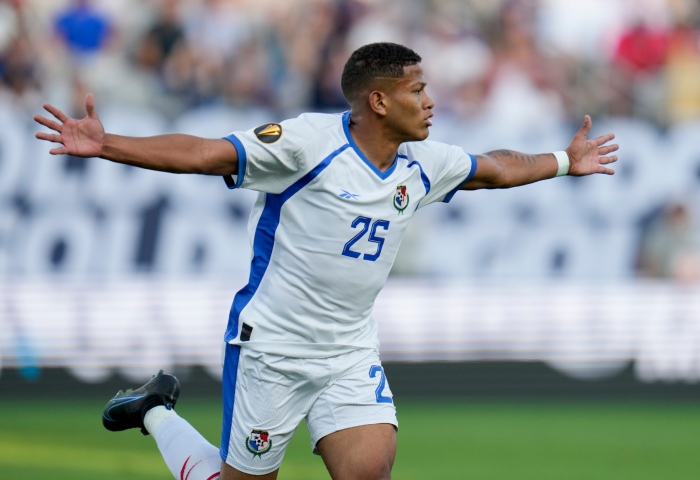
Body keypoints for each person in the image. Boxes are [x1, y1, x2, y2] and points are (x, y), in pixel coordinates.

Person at [34, 42, 618, 480]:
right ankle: (155, 411)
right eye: (418, 90)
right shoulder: (308, 142)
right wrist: (107, 144)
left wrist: (564, 161)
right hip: (273, 348)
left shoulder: (422, 162)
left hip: (348, 350)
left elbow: (495, 167)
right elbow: (207, 154)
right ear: (380, 100)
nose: (431, 101)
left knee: (368, 472)